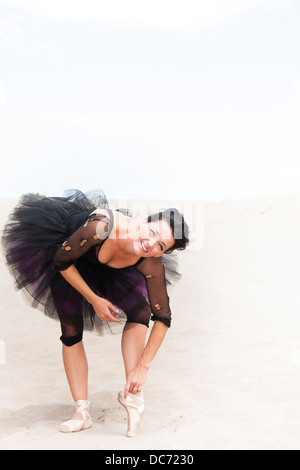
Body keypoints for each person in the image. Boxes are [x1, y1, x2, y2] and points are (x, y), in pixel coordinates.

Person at [2, 189, 189, 437]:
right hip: (69, 254)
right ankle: (82, 412)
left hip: (107, 265)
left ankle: (133, 396)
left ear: (162, 253)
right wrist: (94, 300)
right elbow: (61, 261)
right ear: (143, 223)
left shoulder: (149, 260)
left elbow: (163, 318)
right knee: (71, 329)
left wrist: (142, 368)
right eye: (153, 233)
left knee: (141, 311)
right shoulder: (102, 226)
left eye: (160, 246)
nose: (151, 244)